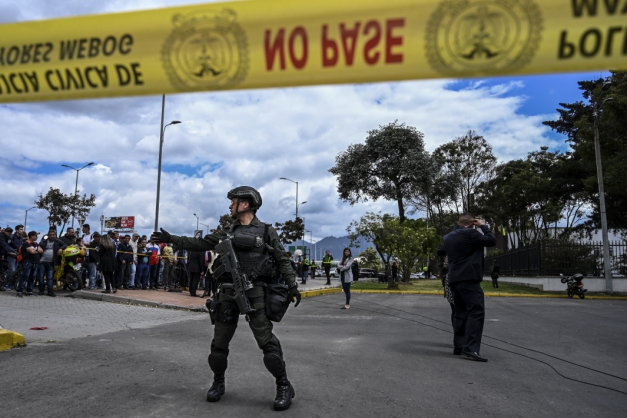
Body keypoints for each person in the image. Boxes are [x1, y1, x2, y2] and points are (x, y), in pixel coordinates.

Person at [152, 186, 301, 411]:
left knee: (266, 341)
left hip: (256, 291)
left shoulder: (266, 231)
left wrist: (292, 285)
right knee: (219, 343)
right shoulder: (227, 231)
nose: (230, 205)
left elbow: (281, 259)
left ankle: (283, 385)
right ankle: (218, 383)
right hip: (228, 291)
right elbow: (200, 244)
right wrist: (171, 238)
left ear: (246, 204)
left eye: (234, 201)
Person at [437, 213, 496, 362]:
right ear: (471, 223)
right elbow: (491, 240)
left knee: (460, 313)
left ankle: (459, 346)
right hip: (469, 277)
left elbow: (440, 251)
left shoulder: (447, 237)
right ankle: (470, 348)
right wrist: (483, 226)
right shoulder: (471, 233)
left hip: (454, 278)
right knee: (476, 312)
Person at [16, 231, 43, 297]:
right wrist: (36, 250)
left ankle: (29, 291)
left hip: (35, 262)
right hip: (27, 262)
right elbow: (32, 252)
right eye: (36, 236)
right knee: (25, 276)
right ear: (32, 236)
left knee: (32, 277)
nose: (37, 237)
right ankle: (19, 291)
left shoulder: (36, 244)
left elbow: (41, 250)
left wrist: (35, 250)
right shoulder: (26, 243)